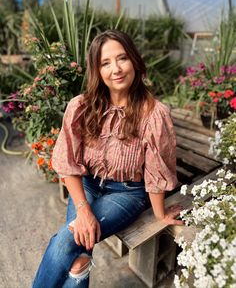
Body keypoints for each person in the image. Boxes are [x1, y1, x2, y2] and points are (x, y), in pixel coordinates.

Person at [32, 29, 183, 288]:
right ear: (97, 70)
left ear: (134, 60)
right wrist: (83, 210)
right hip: (87, 185)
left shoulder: (154, 114)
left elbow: (156, 170)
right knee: (79, 257)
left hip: (127, 194)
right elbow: (68, 162)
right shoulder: (81, 106)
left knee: (66, 241)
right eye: (105, 63)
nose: (116, 69)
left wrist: (160, 214)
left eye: (122, 58)